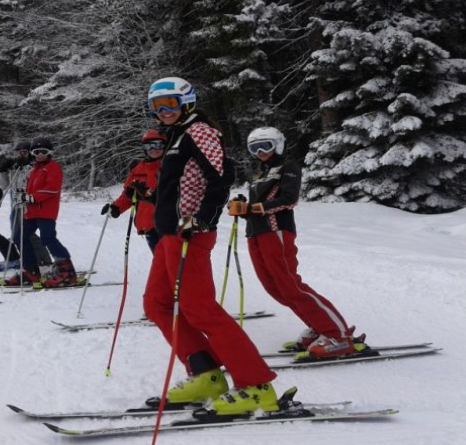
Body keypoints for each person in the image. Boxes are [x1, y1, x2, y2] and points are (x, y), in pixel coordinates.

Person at [142, 77, 279, 415]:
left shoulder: (200, 131)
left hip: (190, 233)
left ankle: (257, 385)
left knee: (199, 308)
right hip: (169, 234)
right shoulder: (175, 136)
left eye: (170, 105)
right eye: (157, 107)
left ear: (186, 103)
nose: (164, 112)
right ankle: (206, 374)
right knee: (157, 304)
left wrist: (202, 219)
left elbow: (220, 178)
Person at [228, 127, 367, 359]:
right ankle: (318, 326)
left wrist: (253, 208)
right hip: (256, 232)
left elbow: (288, 199)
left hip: (277, 231)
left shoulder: (287, 167)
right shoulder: (260, 171)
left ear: (278, 145)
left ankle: (339, 335)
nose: (261, 152)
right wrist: (241, 208)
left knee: (290, 285)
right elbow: (257, 205)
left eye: (266, 145)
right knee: (274, 288)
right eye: (255, 148)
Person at [4, 137, 77, 288]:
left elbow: (52, 188)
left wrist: (30, 197)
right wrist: (23, 196)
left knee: (48, 238)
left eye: (43, 151)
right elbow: (29, 189)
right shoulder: (35, 170)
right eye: (36, 152)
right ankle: (31, 271)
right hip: (31, 212)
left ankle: (67, 271)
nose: (39, 155)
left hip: (45, 211)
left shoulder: (53, 167)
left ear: (49, 153)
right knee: (19, 237)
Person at [101, 129, 166, 253]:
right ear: (144, 148)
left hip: (167, 224)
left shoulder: (169, 166)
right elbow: (128, 194)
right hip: (147, 224)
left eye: (158, 144)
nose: (154, 149)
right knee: (160, 261)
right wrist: (116, 207)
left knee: (172, 263)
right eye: (149, 145)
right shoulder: (138, 170)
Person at [0, 141, 53, 269]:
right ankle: (31, 259)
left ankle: (42, 260)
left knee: (25, 233)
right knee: (18, 233)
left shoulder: (36, 167)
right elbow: (6, 186)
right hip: (17, 204)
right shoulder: (16, 166)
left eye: (24, 152)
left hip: (30, 204)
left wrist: (26, 167)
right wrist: (2, 171)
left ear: (30, 153)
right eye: (19, 152)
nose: (21, 155)